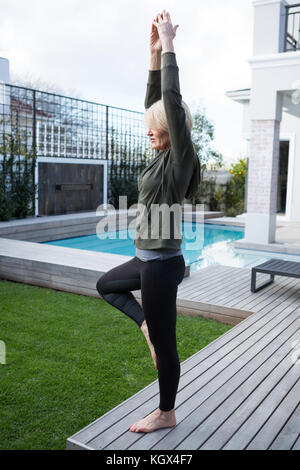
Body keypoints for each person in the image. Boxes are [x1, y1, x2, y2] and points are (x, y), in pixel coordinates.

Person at [96, 9, 201, 433]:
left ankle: (165, 412)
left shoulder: (180, 161)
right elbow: (156, 103)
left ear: (171, 132)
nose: (148, 131)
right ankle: (145, 326)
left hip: (160, 266)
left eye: (155, 129)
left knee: (167, 345)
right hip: (146, 261)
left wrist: (171, 44)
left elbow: (170, 104)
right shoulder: (160, 157)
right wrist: (153, 52)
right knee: (106, 285)